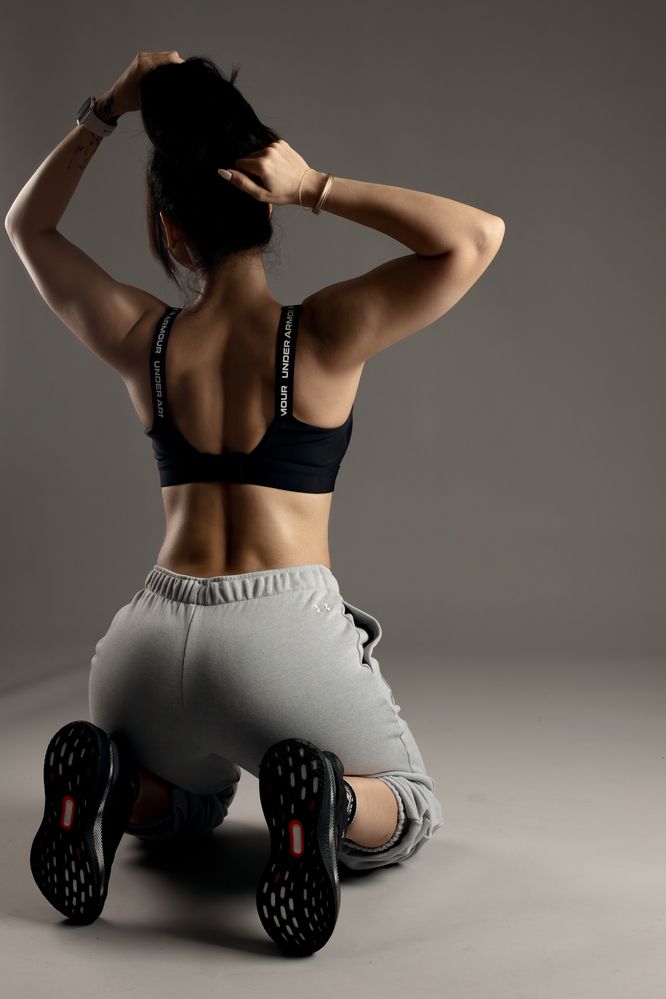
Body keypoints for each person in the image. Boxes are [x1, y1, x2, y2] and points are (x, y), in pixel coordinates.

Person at [6, 52, 505, 956]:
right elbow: (475, 237)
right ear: (264, 207)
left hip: (143, 647)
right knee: (408, 806)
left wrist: (108, 108)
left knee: (187, 809)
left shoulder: (143, 337)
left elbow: (26, 226)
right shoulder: (324, 332)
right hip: (280, 642)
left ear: (172, 232)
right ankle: (327, 799)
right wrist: (315, 185)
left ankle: (119, 783)